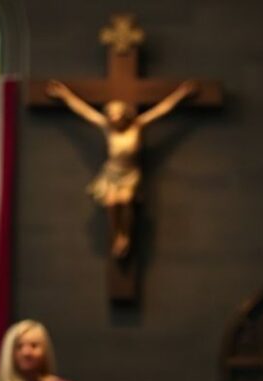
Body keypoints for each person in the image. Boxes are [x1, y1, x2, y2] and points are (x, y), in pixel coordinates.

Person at [45, 80, 198, 258]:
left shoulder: (137, 126)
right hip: (111, 172)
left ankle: (125, 235)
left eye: (117, 113)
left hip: (130, 173)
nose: (114, 117)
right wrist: (65, 95)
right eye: (111, 114)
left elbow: (161, 110)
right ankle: (117, 235)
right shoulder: (107, 128)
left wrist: (180, 94)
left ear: (125, 114)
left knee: (126, 200)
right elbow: (84, 111)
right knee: (111, 203)